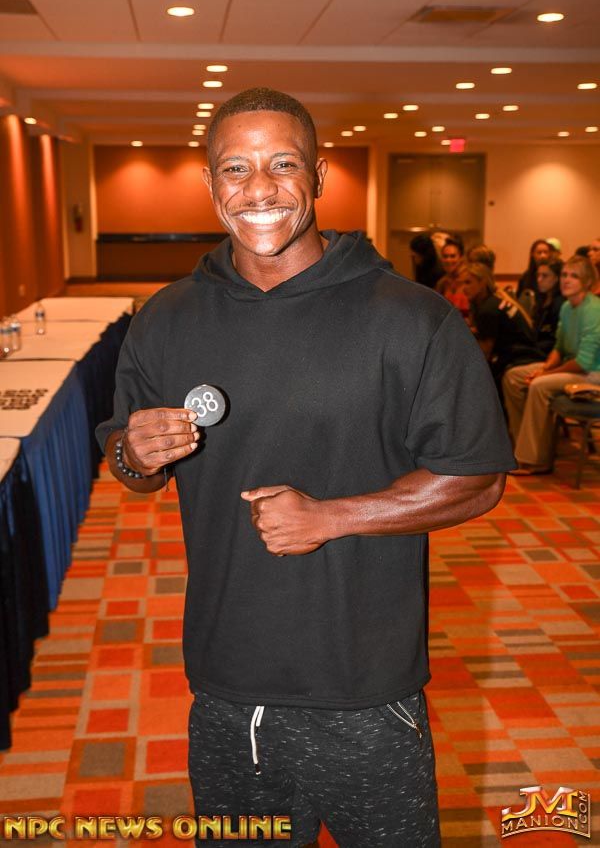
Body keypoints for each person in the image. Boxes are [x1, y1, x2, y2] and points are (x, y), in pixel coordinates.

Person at [96, 88, 515, 848]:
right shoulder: (166, 318)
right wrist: (135, 453)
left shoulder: (411, 318)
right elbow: (130, 465)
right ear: (210, 183)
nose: (259, 188)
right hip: (226, 682)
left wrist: (331, 516)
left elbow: (477, 477)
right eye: (236, 168)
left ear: (318, 176)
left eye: (283, 164)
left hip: (366, 689)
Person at [503, 254, 600, 475]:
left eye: (574, 276)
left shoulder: (594, 310)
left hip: (592, 374)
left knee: (539, 385)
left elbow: (583, 362)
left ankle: (535, 460)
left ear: (586, 281)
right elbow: (559, 347)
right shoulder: (567, 307)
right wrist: (545, 367)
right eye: (564, 275)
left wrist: (544, 375)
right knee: (513, 376)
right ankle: (525, 447)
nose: (566, 280)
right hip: (572, 367)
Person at [461, 262, 544, 387]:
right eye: (462, 283)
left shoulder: (488, 309)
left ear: (482, 283)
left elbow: (484, 353)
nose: (464, 288)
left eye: (468, 282)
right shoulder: (494, 300)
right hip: (526, 353)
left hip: (520, 358)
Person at [532, 260, 564, 356]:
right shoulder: (541, 299)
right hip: (538, 349)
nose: (539, 280)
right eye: (538, 275)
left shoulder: (560, 303)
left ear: (556, 278)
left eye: (545, 276)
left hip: (550, 354)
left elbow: (556, 341)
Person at [436, 238, 469, 317]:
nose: (448, 260)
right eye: (445, 256)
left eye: (453, 256)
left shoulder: (469, 279)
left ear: (461, 258)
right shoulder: (442, 283)